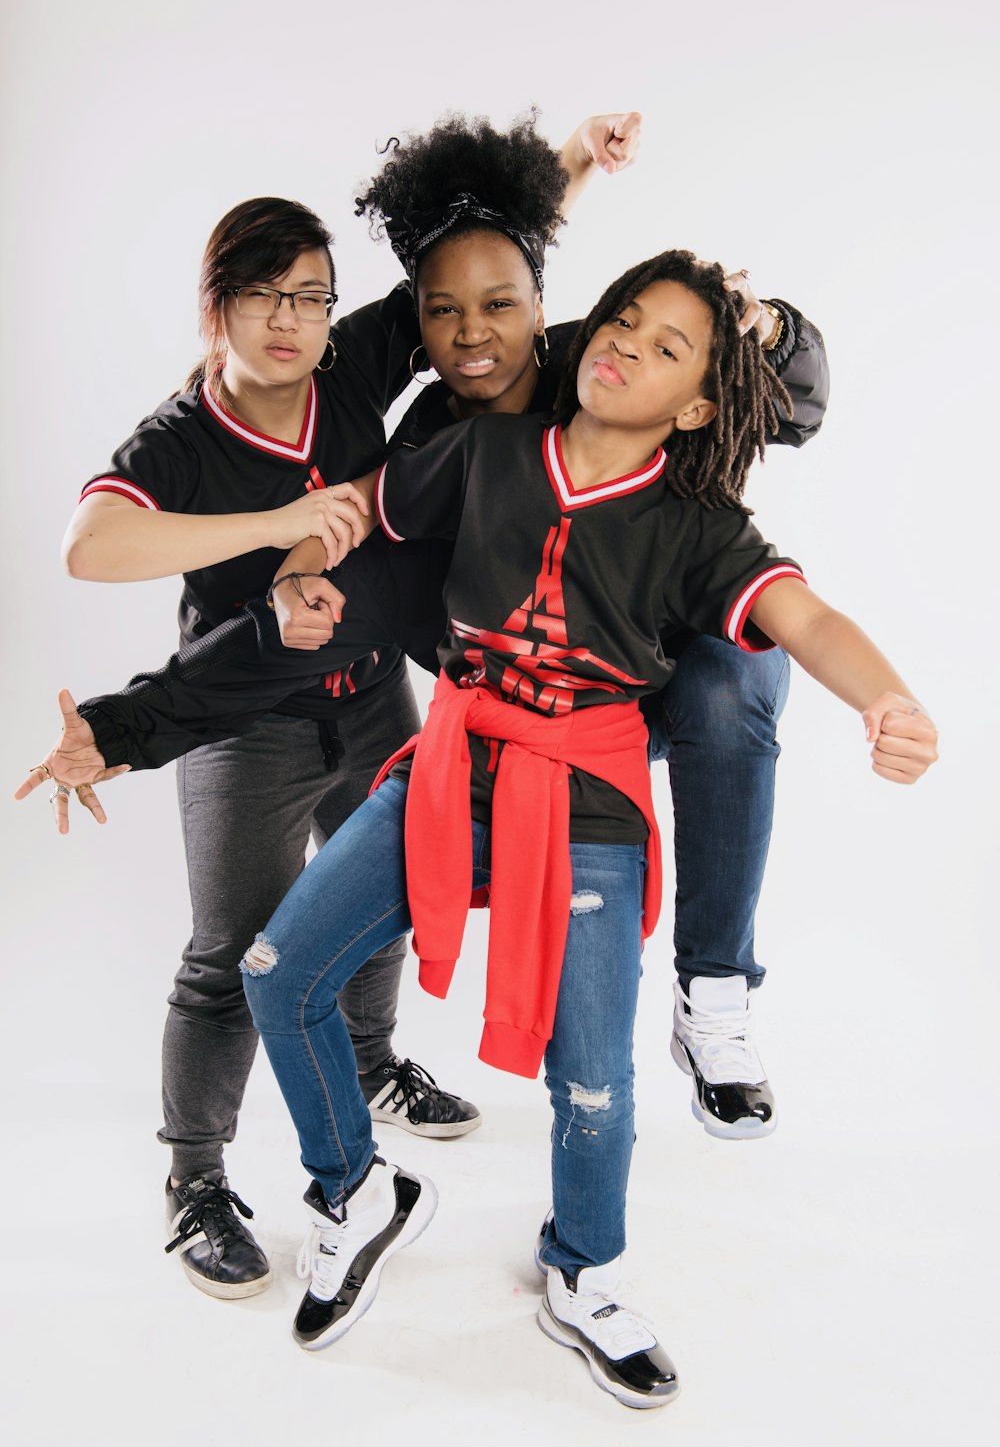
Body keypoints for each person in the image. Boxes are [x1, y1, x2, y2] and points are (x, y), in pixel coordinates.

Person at [18, 250, 936, 1409]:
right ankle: (357, 1188)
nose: (629, 348)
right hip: (449, 769)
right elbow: (354, 517)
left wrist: (888, 700)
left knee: (591, 1078)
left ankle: (585, 1270)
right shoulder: (484, 447)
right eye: (623, 321)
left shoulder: (702, 527)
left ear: (699, 402)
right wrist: (300, 569)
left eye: (668, 348)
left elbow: (808, 617)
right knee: (275, 967)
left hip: (591, 801)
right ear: (578, 332)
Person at [60, 111, 831, 1181]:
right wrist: (129, 724)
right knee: (279, 935)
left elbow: (779, 397)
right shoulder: (425, 451)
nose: (473, 335)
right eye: (442, 316)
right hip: (416, 715)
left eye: (307, 298)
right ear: (408, 329)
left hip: (612, 699)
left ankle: (713, 994)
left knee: (741, 665)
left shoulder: (593, 368)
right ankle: (221, 1163)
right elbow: (315, 600)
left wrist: (765, 323)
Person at [53, 111, 633, 1301]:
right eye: (262, 296)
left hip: (371, 691)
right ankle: (197, 1179)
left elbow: (480, 281)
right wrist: (274, 529)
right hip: (248, 713)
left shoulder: (350, 366)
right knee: (228, 958)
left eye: (310, 296)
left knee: (394, 896)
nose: (288, 321)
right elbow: (91, 545)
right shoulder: (179, 437)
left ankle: (370, 1065)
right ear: (214, 306)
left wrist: (571, 161)